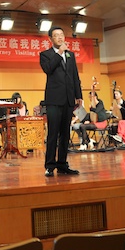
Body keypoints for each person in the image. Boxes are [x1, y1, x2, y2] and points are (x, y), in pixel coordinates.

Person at [39, 26, 83, 177]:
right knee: (53, 133)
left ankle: (63, 164)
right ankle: (50, 165)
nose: (60, 37)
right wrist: (59, 53)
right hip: (54, 100)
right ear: (50, 39)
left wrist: (78, 95)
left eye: (61, 35)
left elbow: (75, 76)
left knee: (65, 133)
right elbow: (48, 69)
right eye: (56, 35)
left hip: (68, 99)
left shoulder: (70, 55)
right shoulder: (45, 55)